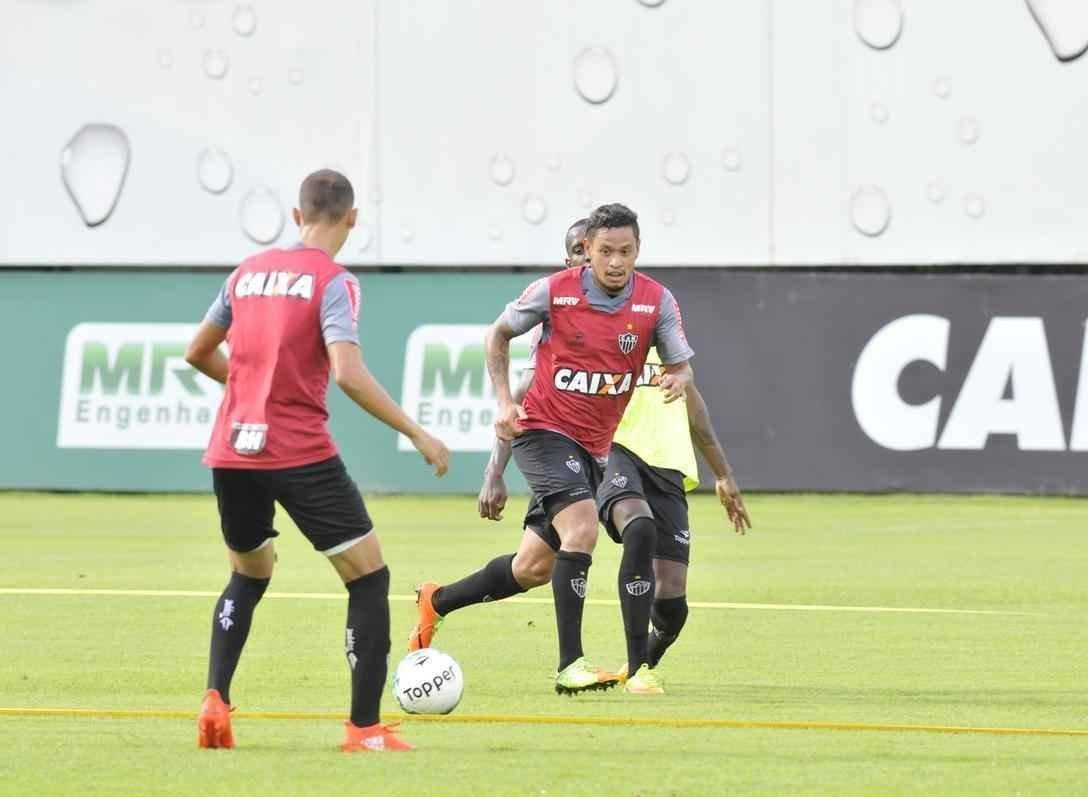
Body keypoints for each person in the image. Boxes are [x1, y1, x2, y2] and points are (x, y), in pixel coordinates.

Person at [409, 216, 749, 695]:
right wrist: (503, 412)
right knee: (584, 526)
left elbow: (683, 369)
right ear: (587, 250)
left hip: (592, 448)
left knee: (532, 568)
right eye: (604, 251)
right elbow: (497, 336)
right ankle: (571, 665)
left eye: (625, 251)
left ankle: (436, 601)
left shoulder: (656, 301)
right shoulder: (554, 293)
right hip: (544, 431)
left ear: (637, 250)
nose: (615, 261)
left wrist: (679, 378)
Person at [185, 169, 450, 752]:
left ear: (295, 213)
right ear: (352, 218)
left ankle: (215, 699)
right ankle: (363, 728)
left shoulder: (246, 273)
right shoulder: (334, 281)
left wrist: (249, 390)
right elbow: (348, 373)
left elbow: (196, 351)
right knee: (369, 577)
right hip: (298, 449)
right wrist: (417, 433)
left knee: (248, 573)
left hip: (232, 449)